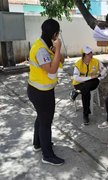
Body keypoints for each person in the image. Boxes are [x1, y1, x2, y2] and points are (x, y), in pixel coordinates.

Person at [27, 19, 65, 166]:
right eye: (58, 33)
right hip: (40, 92)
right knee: (45, 123)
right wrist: (58, 49)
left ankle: (38, 143)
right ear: (55, 34)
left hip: (43, 90)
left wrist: (57, 51)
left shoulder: (46, 44)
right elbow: (52, 69)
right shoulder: (41, 49)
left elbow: (61, 61)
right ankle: (47, 155)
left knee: (41, 118)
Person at [70, 45, 107, 125]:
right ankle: (85, 114)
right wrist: (90, 77)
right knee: (85, 90)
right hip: (79, 84)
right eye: (88, 54)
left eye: (91, 53)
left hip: (92, 82)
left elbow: (104, 69)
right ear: (83, 55)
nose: (90, 55)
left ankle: (76, 92)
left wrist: (100, 75)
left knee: (87, 87)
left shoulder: (96, 61)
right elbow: (76, 78)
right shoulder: (78, 64)